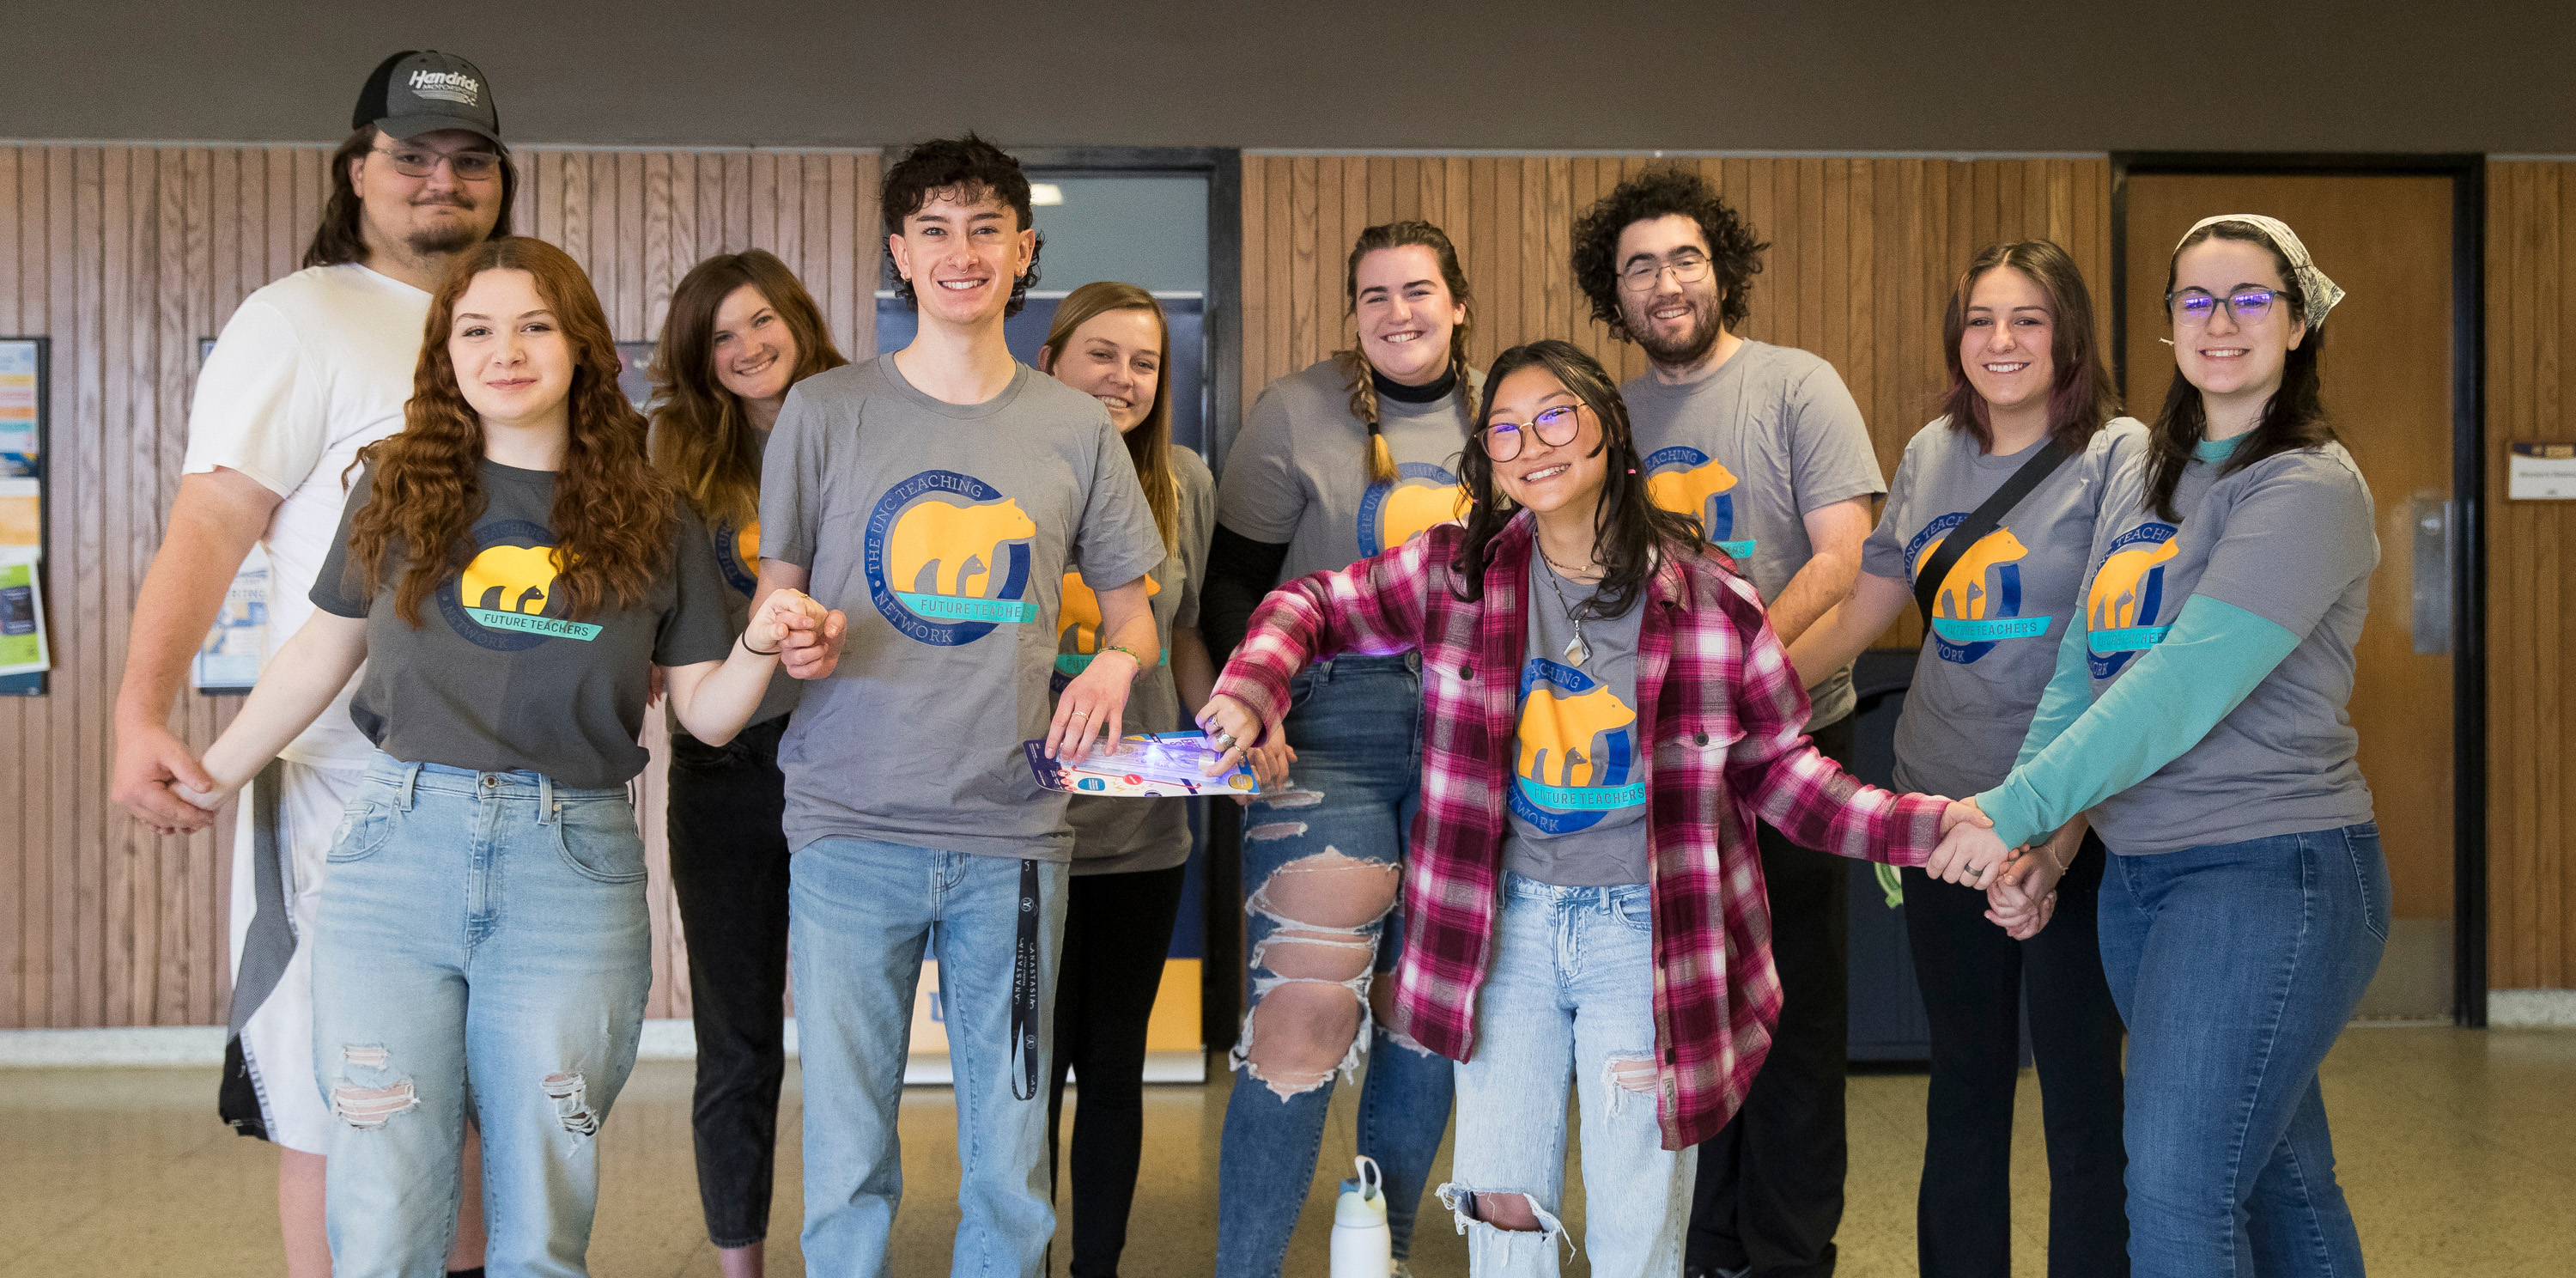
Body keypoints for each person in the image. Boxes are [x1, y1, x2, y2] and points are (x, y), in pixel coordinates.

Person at [1194, 339, 2008, 1278]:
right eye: (1504, 428)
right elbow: (1311, 604)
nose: (1529, 444)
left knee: (1635, 1215)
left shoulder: (1711, 603)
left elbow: (1786, 774)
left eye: (1554, 417)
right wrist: (1256, 681)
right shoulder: (1459, 575)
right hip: (1506, 930)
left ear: (1609, 434)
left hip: (1647, 934)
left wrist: (1931, 827)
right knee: (1501, 1204)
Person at [161, 234, 840, 1275]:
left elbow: (706, 714)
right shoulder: (394, 484)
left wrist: (760, 639)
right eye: (476, 329)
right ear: (446, 354)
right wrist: (212, 771)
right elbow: (320, 651)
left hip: (570, 866)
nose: (505, 351)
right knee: (382, 1201)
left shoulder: (657, 513)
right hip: (395, 853)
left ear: (579, 347)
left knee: (544, 1212)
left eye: (534, 326)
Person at [107, 49, 512, 1278]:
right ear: (358, 170)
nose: (439, 180)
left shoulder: (514, 318)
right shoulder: (300, 316)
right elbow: (211, 524)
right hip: (346, 785)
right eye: (410, 157)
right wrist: (140, 708)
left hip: (515, 785)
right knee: (339, 1097)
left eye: (468, 159)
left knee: (485, 1096)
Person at [752, 135, 1164, 1276]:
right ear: (899, 252)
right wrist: (789, 634)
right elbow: (775, 598)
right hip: (846, 826)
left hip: (1011, 836)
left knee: (1011, 1161)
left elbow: (1138, 613)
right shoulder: (824, 414)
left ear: (1023, 250)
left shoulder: (1075, 428)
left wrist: (1114, 665)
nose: (961, 251)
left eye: (986, 227)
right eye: (934, 228)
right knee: (844, 1157)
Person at [1942, 216, 2383, 1278]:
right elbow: (2087, 668)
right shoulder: (2148, 473)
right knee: (2277, 1173)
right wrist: (2042, 836)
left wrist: (2006, 808)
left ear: (2297, 321)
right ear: (2168, 325)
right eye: (2195, 299)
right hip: (2146, 877)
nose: (2219, 322)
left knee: (2180, 1194)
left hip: (2271, 872)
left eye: (2247, 299)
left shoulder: (2308, 486)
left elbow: (2180, 688)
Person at [1787, 240, 2136, 1276]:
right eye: (1982, 320)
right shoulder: (1933, 452)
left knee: (2083, 1092)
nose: (2001, 341)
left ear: (2067, 333)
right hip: (1939, 813)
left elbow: (2122, 658)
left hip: (2078, 816)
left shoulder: (2120, 456)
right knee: (1965, 1083)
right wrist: (1745, 705)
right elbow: (1863, 608)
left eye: (2027, 319)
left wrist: (2052, 836)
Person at [1569, 166, 1885, 1278]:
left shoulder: (1799, 385)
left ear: (1723, 269)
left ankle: (1790, 1256)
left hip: (1789, 747)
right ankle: (1707, 1252)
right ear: (1616, 292)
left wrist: (1744, 695)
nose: (1666, 282)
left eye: (1684, 258)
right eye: (1640, 266)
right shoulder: (1605, 416)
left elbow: (1845, 559)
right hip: (1666, 771)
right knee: (1695, 1014)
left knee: (1794, 1018)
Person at [1200, 219, 1480, 1278]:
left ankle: (1381, 1258)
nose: (1398, 313)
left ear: (1458, 302)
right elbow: (1236, 582)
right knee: (1305, 1012)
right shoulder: (1294, 413)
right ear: (1354, 314)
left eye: (1418, 292)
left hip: (1477, 724)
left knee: (1426, 1016)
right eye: (1375, 297)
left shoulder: (1513, 408)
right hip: (1329, 722)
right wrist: (1255, 697)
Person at [645, 248, 849, 1278]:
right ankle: (740, 1264)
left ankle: (848, 1247)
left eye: (760, 321)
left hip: (853, 763)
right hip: (724, 773)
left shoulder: (870, 421)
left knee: (854, 1041)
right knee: (738, 1043)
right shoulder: (672, 459)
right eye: (720, 335)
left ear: (799, 319)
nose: (747, 347)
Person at [1033, 281, 1219, 1278]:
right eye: (1101, 354)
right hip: (1021, 831)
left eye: (1144, 361)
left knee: (1113, 1066)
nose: (1124, 377)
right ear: (1053, 357)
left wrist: (1218, 726)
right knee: (1030, 1074)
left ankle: (1095, 1268)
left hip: (1143, 830)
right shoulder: (1007, 465)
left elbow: (1183, 632)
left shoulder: (1184, 479)